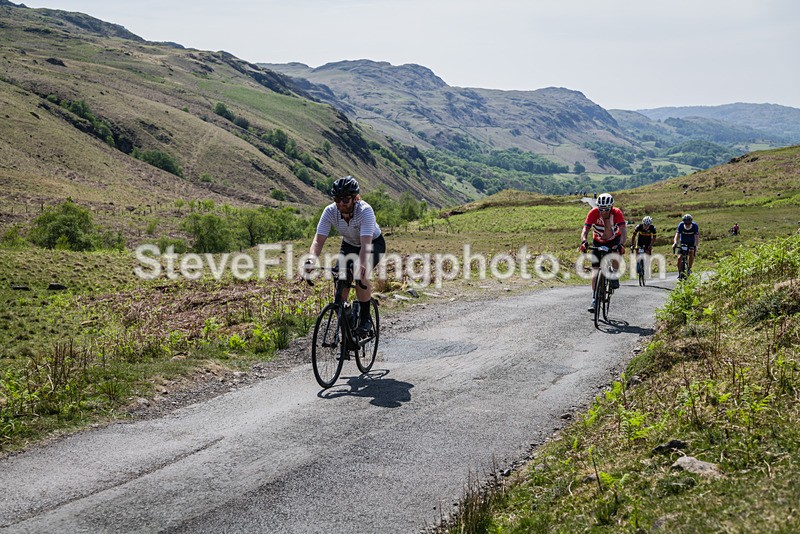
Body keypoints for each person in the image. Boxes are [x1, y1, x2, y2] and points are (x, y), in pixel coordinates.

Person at [304, 176, 386, 335]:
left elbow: (366, 244)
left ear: (356, 198)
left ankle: (365, 319)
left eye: (345, 200)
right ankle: (347, 321)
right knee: (340, 281)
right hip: (349, 244)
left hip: (372, 244)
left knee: (359, 274)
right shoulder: (329, 211)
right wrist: (311, 259)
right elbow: (318, 241)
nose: (341, 203)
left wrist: (361, 265)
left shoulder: (365, 211)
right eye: (337, 199)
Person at [580, 193, 627, 313]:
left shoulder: (617, 213)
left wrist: (621, 244)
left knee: (616, 255)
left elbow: (623, 230)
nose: (603, 211)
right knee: (595, 271)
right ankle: (595, 299)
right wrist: (584, 241)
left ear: (611, 207)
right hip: (598, 241)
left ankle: (614, 274)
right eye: (601, 209)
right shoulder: (593, 213)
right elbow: (585, 229)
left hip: (614, 239)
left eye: (606, 209)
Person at [672, 214, 699, 279]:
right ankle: (679, 272)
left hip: (691, 242)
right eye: (686, 223)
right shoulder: (681, 225)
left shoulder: (694, 226)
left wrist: (695, 245)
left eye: (689, 223)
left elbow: (696, 237)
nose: (687, 225)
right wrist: (675, 243)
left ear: (691, 222)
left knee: (691, 252)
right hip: (683, 242)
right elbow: (677, 235)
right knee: (679, 258)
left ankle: (689, 268)